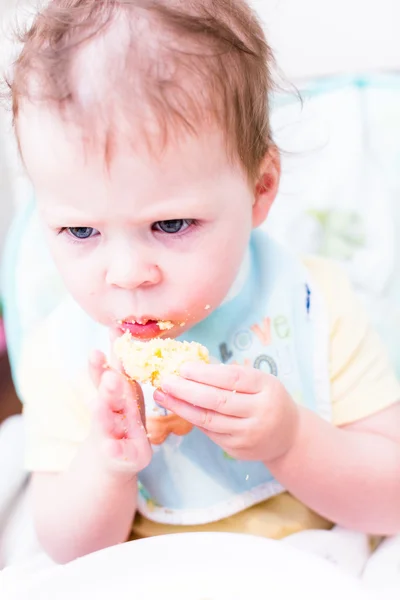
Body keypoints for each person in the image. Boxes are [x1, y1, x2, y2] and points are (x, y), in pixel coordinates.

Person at [3, 0, 400, 565]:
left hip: (303, 568)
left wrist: (292, 441)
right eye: (80, 230)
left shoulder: (312, 304)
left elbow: (390, 502)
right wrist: (107, 463)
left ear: (260, 190)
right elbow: (68, 550)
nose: (127, 275)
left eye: (169, 224)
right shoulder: (65, 352)